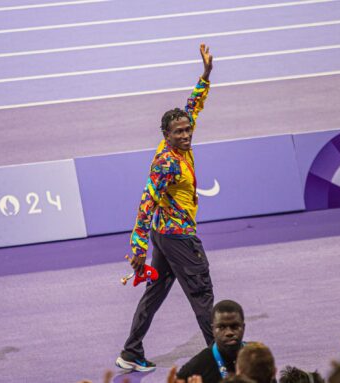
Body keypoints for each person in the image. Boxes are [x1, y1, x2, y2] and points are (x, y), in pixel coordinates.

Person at [115, 43, 214, 372]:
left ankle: (130, 351)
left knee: (155, 293)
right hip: (177, 238)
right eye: (179, 132)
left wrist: (205, 75)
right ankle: (224, 359)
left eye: (187, 130)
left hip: (165, 237)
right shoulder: (166, 162)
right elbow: (147, 202)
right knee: (202, 293)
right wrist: (137, 246)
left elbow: (192, 107)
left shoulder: (182, 141)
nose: (186, 135)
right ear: (166, 136)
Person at [176, 300, 246, 383]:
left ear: (243, 327)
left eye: (234, 326)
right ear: (212, 330)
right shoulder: (197, 366)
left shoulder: (257, 358)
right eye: (222, 327)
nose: (229, 333)